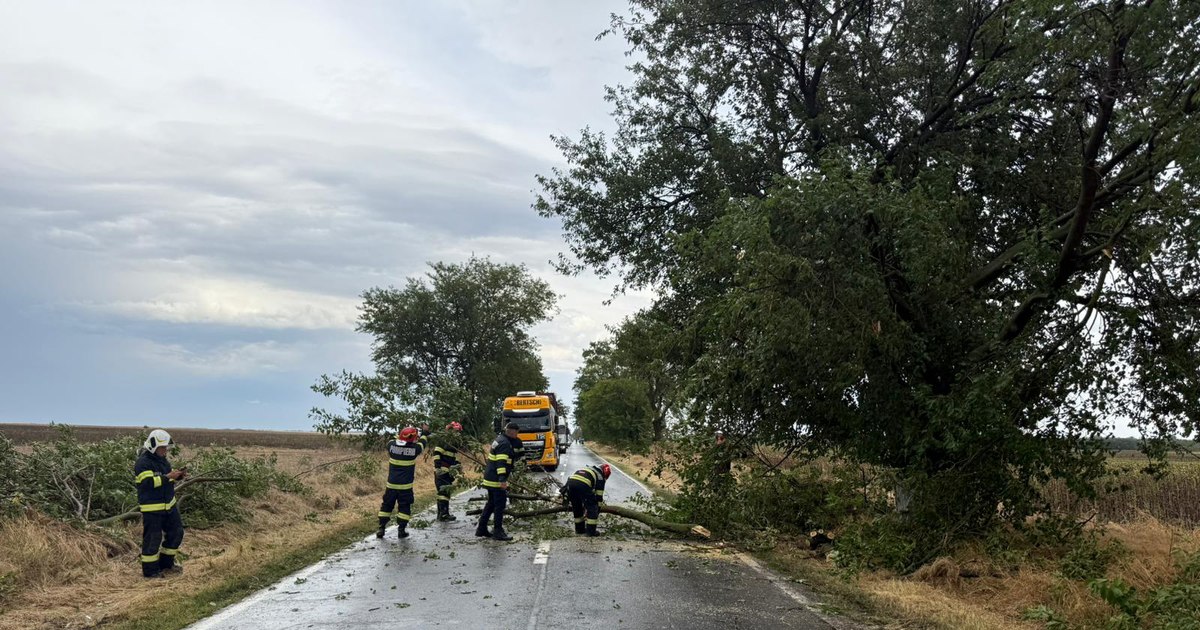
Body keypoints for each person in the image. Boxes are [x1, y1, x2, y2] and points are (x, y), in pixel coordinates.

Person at [134, 429, 186, 578]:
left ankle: (166, 565)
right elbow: (147, 483)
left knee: (177, 533)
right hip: (152, 509)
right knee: (152, 539)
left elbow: (165, 480)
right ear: (153, 446)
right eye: (162, 448)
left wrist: (177, 477)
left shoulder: (163, 461)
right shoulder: (143, 463)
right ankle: (150, 572)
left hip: (169, 506)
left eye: (166, 448)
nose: (165, 451)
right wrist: (167, 476)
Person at [377, 426, 427, 539]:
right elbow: (422, 443)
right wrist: (424, 434)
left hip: (391, 486)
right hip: (405, 487)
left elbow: (392, 440)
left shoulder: (391, 447)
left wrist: (401, 434)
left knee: (386, 506)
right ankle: (401, 530)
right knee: (404, 508)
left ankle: (381, 528)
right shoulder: (414, 450)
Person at [475, 421, 521, 541]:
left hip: (490, 478)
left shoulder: (500, 439)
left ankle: (481, 528)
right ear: (512, 432)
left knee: (490, 504)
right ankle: (498, 531)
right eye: (516, 432)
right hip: (496, 480)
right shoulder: (505, 443)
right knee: (499, 506)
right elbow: (501, 464)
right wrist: (502, 480)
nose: (517, 435)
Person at [566, 463, 610, 536]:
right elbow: (599, 497)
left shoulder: (589, 469)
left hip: (570, 484)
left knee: (577, 507)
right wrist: (596, 510)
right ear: (605, 474)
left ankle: (579, 530)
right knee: (593, 507)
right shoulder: (600, 477)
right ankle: (591, 532)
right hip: (582, 484)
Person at [432, 421, 464, 521]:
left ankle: (441, 514)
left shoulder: (452, 444)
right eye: (456, 431)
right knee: (444, 493)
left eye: (459, 432)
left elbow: (451, 459)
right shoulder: (444, 441)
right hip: (442, 471)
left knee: (444, 492)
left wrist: (457, 465)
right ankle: (444, 514)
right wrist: (438, 467)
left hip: (448, 472)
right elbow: (436, 453)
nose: (458, 434)